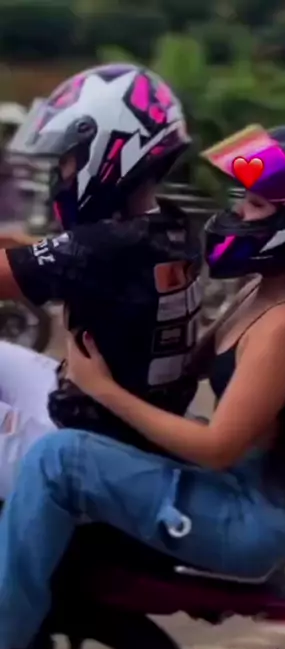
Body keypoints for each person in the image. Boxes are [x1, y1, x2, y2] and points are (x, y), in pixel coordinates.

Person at [0, 122, 285, 649]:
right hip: (239, 483)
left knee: (60, 459)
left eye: (257, 205)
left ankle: (5, 633)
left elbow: (217, 448)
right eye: (244, 197)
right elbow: (183, 361)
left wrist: (104, 390)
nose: (238, 211)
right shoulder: (260, 291)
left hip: (250, 519)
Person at [0, 62, 203, 497]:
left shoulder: (103, 246)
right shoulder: (171, 227)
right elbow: (68, 255)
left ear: (110, 151)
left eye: (67, 160)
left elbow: (19, 272)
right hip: (119, 423)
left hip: (82, 446)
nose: (59, 176)